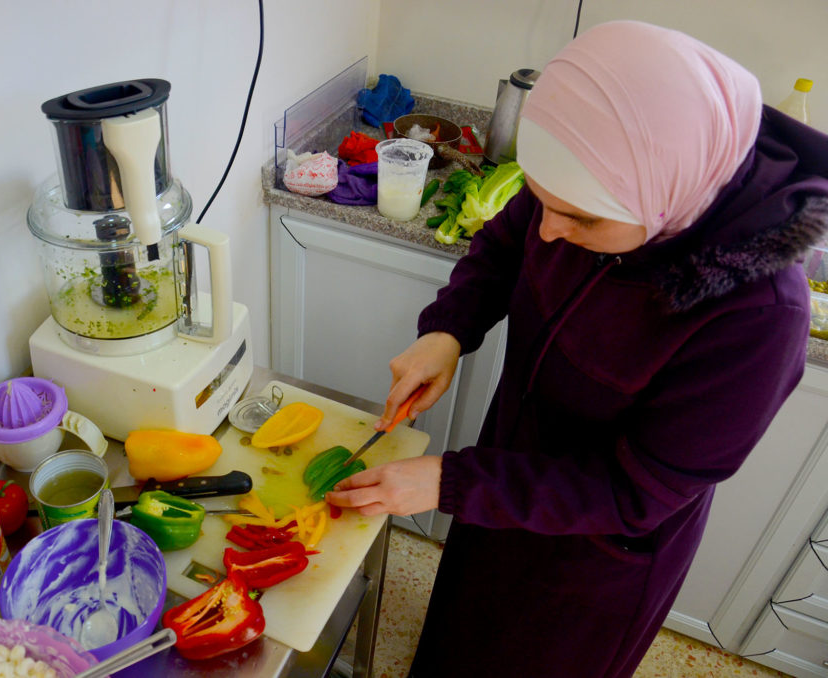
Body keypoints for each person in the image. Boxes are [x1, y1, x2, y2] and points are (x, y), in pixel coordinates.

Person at [324, 20, 828, 678]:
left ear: (666, 198)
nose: (550, 229)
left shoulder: (760, 317)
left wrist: (453, 481)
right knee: (457, 640)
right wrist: (448, 332)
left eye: (583, 220)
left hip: (599, 558)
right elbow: (503, 247)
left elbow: (634, 492)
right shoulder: (583, 185)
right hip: (504, 477)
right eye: (540, 199)